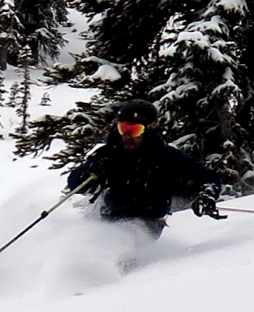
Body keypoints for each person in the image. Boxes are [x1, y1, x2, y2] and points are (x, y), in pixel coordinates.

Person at [67, 99, 224, 239]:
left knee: (126, 241)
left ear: (149, 130)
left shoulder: (165, 156)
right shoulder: (109, 154)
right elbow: (74, 182)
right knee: (85, 243)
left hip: (147, 223)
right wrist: (94, 172)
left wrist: (207, 195)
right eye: (123, 128)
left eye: (134, 130)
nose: (127, 136)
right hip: (108, 217)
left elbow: (207, 177)